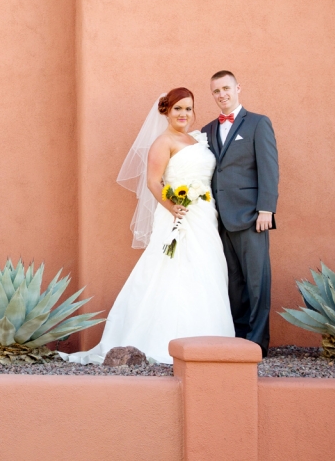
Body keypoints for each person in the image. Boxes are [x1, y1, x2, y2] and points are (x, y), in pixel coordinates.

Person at [60, 88, 234, 365]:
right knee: (171, 269)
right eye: (178, 108)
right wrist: (172, 207)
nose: (184, 114)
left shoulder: (198, 139)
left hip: (204, 214)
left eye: (188, 108)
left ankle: (211, 341)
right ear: (166, 111)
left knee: (207, 268)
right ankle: (161, 339)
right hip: (177, 214)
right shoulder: (162, 142)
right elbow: (154, 182)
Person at [201, 71, 279, 357]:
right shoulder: (208, 130)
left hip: (251, 217)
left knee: (257, 281)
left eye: (225, 88)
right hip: (219, 220)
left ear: (237, 88)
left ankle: (258, 343)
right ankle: (239, 338)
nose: (221, 95)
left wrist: (266, 209)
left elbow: (269, 169)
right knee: (233, 282)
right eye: (216, 91)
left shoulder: (258, 123)